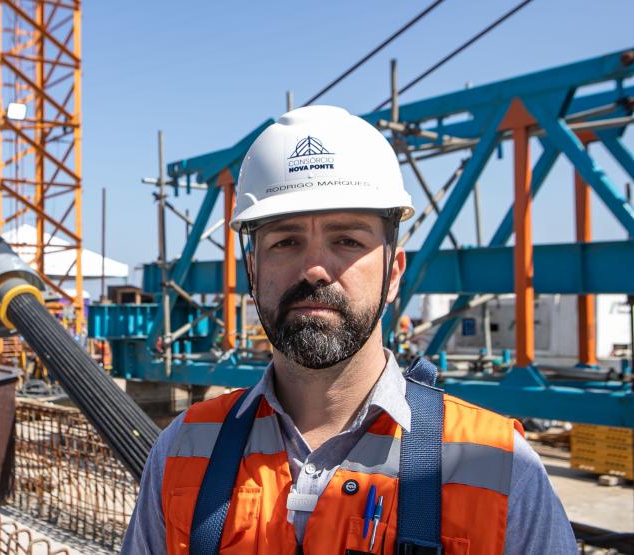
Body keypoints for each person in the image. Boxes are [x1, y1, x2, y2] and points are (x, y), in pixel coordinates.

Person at [122, 106, 575, 554]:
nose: (315, 268)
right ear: (253, 271)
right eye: (285, 241)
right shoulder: (182, 449)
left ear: (394, 273)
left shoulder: (500, 466)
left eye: (347, 240)